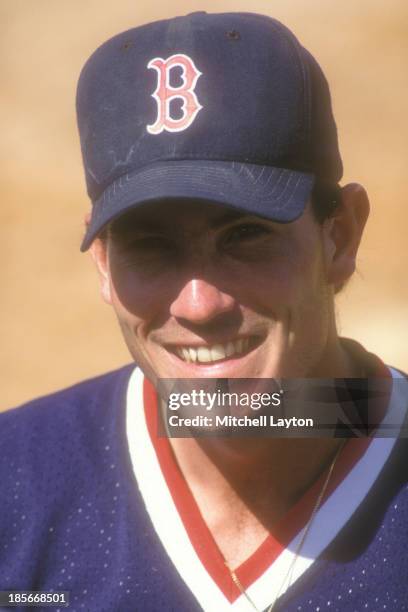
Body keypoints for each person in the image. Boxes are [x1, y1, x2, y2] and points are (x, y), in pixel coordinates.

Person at [1, 11, 407, 612]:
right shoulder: (14, 489)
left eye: (245, 235)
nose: (200, 305)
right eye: (151, 245)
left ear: (339, 238)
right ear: (104, 264)